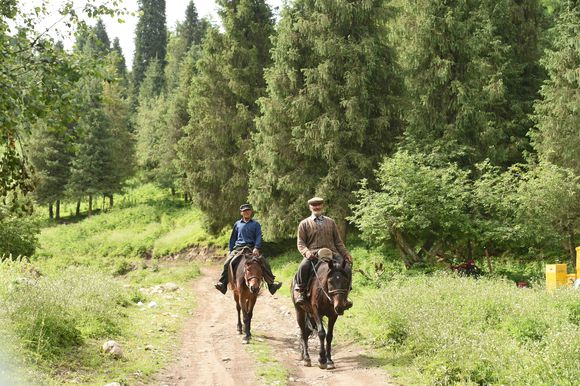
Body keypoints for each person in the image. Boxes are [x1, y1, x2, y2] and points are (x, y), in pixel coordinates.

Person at [294, 197, 353, 308]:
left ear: (322, 206)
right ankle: (302, 293)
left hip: (332, 253)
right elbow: (300, 243)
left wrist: (346, 254)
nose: (316, 207)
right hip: (313, 254)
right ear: (310, 207)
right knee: (303, 267)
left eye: (318, 205)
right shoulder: (304, 224)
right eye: (314, 205)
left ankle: (346, 296)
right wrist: (306, 253)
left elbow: (338, 241)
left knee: (347, 268)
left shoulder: (331, 222)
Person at [214, 203, 282, 295]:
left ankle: (271, 285)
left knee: (264, 262)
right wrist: (230, 250)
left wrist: (256, 248)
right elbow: (233, 238)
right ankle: (223, 283)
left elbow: (258, 236)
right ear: (241, 213)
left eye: (248, 210)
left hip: (251, 248)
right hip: (238, 248)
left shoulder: (256, 224)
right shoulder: (237, 224)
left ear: (251, 212)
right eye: (245, 211)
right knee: (227, 262)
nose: (247, 212)